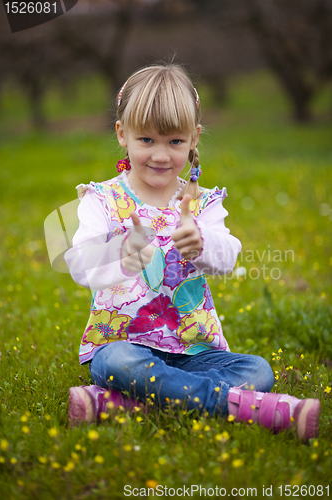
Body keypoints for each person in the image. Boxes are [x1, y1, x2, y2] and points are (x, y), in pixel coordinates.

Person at [65, 64, 320, 442]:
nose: (161, 155)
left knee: (258, 370)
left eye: (175, 142)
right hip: (125, 344)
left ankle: (120, 403)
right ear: (122, 134)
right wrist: (126, 249)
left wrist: (201, 242)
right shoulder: (101, 201)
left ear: (194, 138)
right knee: (117, 362)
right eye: (146, 140)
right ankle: (251, 408)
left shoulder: (201, 204)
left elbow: (229, 255)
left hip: (196, 351)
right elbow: (80, 267)